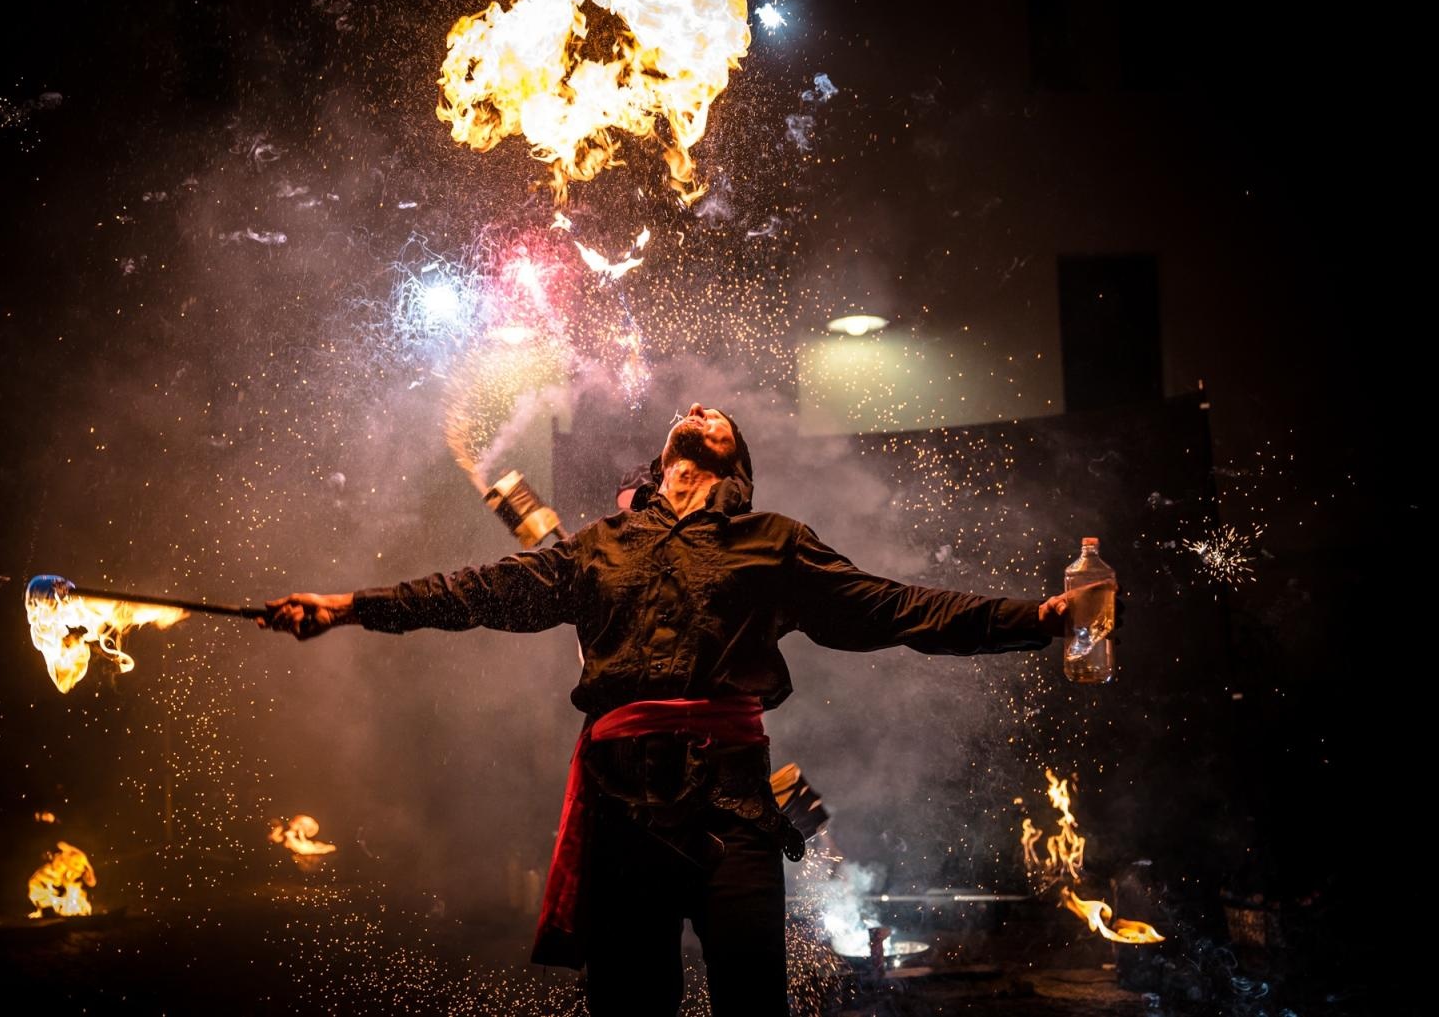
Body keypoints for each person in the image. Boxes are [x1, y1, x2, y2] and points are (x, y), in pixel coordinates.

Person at [260, 403, 1111, 1016]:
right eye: (688, 419)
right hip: (624, 807)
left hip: (733, 807)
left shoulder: (772, 541)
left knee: (750, 1001)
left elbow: (888, 607)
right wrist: (347, 605)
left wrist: (1027, 620)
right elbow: (479, 591)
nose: (700, 410)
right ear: (663, 462)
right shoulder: (599, 545)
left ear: (733, 469)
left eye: (718, 422)